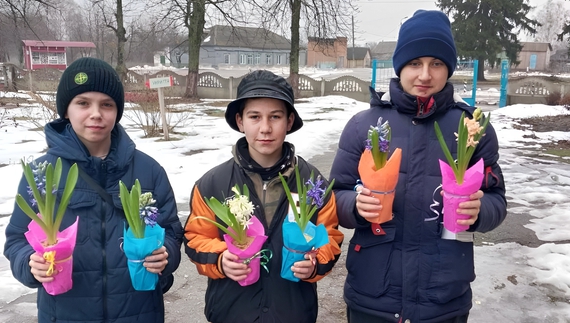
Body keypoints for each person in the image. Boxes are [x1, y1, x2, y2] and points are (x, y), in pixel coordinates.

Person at [329, 10, 507, 323]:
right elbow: (335, 196)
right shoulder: (364, 126)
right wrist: (355, 206)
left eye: (436, 63)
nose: (425, 75)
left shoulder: (472, 128)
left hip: (443, 299)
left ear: (448, 68)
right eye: (415, 63)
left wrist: (481, 212)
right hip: (374, 295)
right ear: (400, 66)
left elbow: (496, 199)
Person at [4, 57, 184, 323]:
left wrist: (165, 256)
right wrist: (30, 264)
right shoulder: (42, 174)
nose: (96, 113)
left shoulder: (148, 170)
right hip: (65, 314)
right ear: (66, 110)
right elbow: (17, 239)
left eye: (107, 105)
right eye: (83, 103)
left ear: (117, 111)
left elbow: (171, 231)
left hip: (138, 312)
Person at [184, 70, 343, 323]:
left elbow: (330, 238)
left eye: (275, 117)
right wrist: (221, 259)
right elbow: (195, 238)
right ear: (240, 121)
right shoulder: (212, 184)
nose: (265, 128)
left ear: (289, 122)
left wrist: (315, 264)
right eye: (254, 117)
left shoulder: (313, 183)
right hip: (232, 312)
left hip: (292, 312)